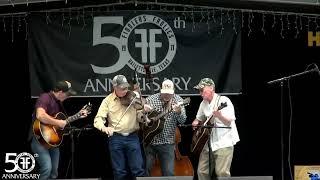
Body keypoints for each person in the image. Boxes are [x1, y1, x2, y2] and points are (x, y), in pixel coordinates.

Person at [29, 80, 89, 180]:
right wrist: (58, 123)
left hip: (53, 140)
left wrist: (78, 115)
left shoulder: (58, 103)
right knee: (46, 168)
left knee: (54, 172)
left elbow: (62, 123)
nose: (69, 96)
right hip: (39, 139)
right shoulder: (45, 97)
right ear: (60, 92)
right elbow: (40, 115)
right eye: (67, 94)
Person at [93, 75, 145, 180]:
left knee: (138, 169)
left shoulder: (133, 96)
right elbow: (98, 119)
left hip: (132, 137)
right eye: (122, 88)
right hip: (116, 138)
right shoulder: (107, 101)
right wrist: (105, 128)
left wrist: (143, 112)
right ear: (115, 87)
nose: (126, 90)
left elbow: (140, 113)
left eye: (126, 87)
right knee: (119, 171)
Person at [191, 78, 240, 180]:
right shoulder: (203, 103)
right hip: (208, 142)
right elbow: (198, 118)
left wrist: (219, 115)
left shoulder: (224, 101)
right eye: (199, 91)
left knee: (221, 172)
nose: (200, 93)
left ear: (211, 88)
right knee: (202, 171)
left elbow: (229, 122)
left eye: (202, 90)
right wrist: (195, 122)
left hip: (224, 141)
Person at [143, 79, 187, 176]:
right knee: (145, 171)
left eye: (169, 93)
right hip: (150, 141)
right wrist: (145, 113)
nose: (167, 95)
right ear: (160, 90)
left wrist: (179, 112)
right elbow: (141, 119)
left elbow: (183, 120)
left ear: (173, 91)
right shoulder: (151, 99)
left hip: (167, 143)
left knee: (168, 173)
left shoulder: (178, 100)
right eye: (165, 93)